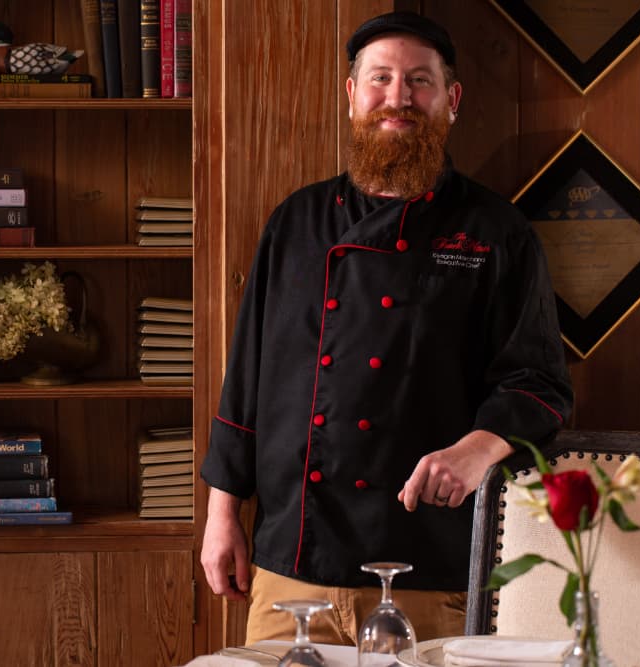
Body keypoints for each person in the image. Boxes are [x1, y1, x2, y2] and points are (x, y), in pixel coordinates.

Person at [198, 10, 574, 646]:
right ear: (352, 95)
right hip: (292, 561)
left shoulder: (495, 232)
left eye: (419, 81)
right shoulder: (295, 222)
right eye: (381, 79)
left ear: (450, 100)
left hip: (425, 563)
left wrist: (477, 449)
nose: (398, 97)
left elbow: (539, 383)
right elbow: (248, 379)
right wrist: (222, 512)